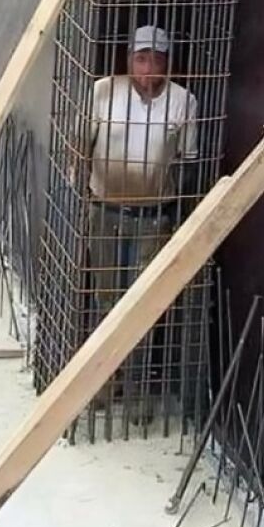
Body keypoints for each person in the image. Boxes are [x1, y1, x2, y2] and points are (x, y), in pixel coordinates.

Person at [83, 25, 199, 412]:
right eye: (141, 58)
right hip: (105, 210)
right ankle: (103, 381)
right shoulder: (103, 91)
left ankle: (134, 390)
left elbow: (186, 159)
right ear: (129, 60)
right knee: (106, 300)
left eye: (157, 60)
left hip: (152, 217)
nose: (149, 69)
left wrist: (174, 209)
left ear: (168, 64)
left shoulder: (183, 101)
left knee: (142, 304)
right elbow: (80, 144)